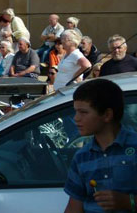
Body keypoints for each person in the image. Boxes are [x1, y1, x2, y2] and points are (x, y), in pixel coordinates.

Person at [64, 78, 137, 213]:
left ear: (107, 115)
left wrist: (129, 202)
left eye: (83, 112)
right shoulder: (82, 157)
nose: (76, 118)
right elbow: (74, 207)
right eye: (76, 111)